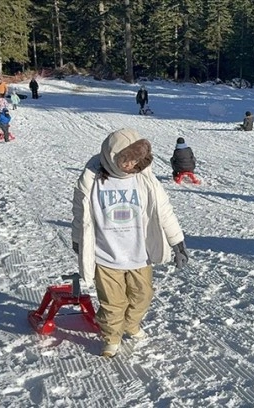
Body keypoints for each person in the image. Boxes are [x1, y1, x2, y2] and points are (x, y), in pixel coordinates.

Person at [71, 128, 189, 358]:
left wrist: (178, 242)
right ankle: (112, 338)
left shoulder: (144, 178)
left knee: (142, 296)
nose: (131, 165)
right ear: (112, 156)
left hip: (139, 254)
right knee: (113, 303)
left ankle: (131, 325)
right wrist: (78, 241)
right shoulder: (91, 178)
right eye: (126, 160)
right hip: (106, 255)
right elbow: (80, 214)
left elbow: (163, 211)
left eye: (136, 160)